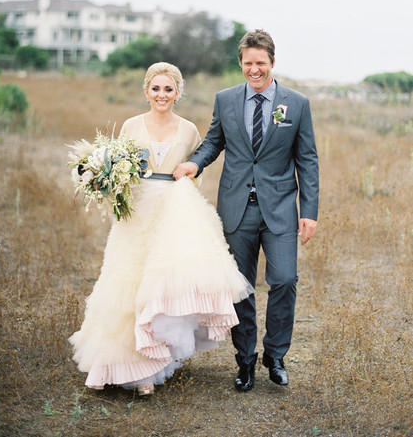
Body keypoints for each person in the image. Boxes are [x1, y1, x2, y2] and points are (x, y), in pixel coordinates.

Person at [69, 62, 252, 396]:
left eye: (168, 89)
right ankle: (121, 364)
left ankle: (150, 369)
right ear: (146, 91)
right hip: (137, 211)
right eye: (156, 89)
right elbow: (119, 167)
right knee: (128, 281)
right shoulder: (131, 125)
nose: (162, 95)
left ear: (178, 93)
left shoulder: (189, 130)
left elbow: (197, 168)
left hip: (173, 212)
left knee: (160, 288)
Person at [174, 29, 319, 392]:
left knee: (284, 280)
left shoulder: (297, 104)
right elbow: (214, 141)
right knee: (240, 287)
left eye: (261, 63)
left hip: (281, 209)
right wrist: (194, 164)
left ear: (272, 62)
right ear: (241, 63)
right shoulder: (225, 99)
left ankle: (276, 356)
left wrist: (309, 211)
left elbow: (307, 160)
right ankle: (245, 360)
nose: (255, 69)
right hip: (236, 207)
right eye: (248, 63)